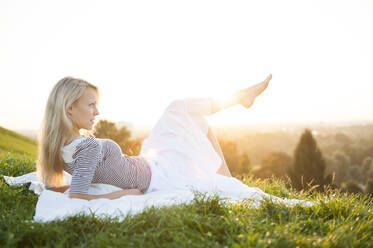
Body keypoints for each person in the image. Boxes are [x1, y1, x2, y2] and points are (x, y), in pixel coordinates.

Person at [36, 74, 272, 201]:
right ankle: (239, 99)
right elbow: (78, 196)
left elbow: (76, 185)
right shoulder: (85, 146)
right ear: (69, 108)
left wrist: (55, 189)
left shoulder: (59, 148)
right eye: (91, 105)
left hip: (149, 164)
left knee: (190, 117)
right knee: (180, 110)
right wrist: (124, 194)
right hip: (158, 173)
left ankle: (227, 177)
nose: (97, 112)